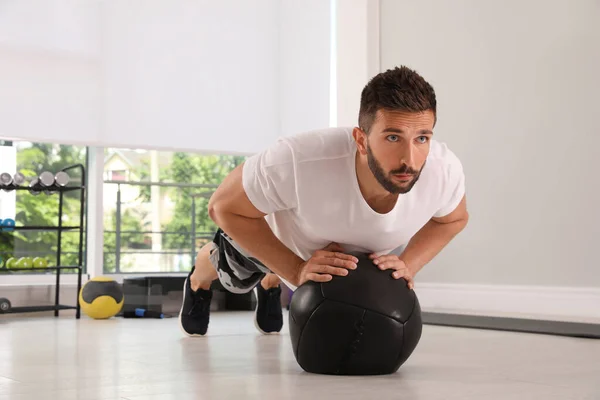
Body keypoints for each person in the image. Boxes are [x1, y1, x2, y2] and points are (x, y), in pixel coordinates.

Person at [179, 66, 469, 336]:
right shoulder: (299, 159)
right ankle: (199, 280)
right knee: (234, 277)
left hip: (326, 248)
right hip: (275, 235)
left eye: (422, 138)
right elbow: (222, 206)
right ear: (361, 140)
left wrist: (409, 263)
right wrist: (293, 269)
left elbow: (454, 219)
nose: (410, 159)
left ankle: (272, 281)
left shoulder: (443, 171)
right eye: (393, 138)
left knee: (283, 270)